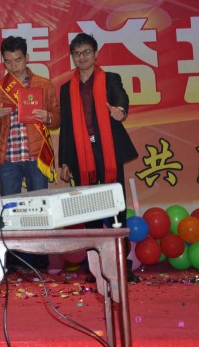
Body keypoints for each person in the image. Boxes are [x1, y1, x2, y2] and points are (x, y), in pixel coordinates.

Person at [57, 33, 139, 283]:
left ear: (95, 54)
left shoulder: (110, 79)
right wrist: (64, 161)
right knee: (89, 211)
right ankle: (95, 267)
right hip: (81, 155)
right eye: (77, 53)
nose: (82, 57)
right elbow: (67, 127)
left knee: (116, 209)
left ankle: (121, 266)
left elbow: (122, 98)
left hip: (108, 151)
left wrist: (120, 110)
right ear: (72, 57)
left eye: (86, 52)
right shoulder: (66, 89)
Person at [0, 35, 60, 273]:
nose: (14, 66)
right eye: (8, 62)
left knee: (40, 209)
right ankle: (14, 261)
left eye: (18, 60)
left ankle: (39, 261)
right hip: (9, 158)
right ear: (3, 61)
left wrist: (47, 117)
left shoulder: (43, 84)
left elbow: (57, 119)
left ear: (27, 57)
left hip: (36, 155)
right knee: (9, 212)